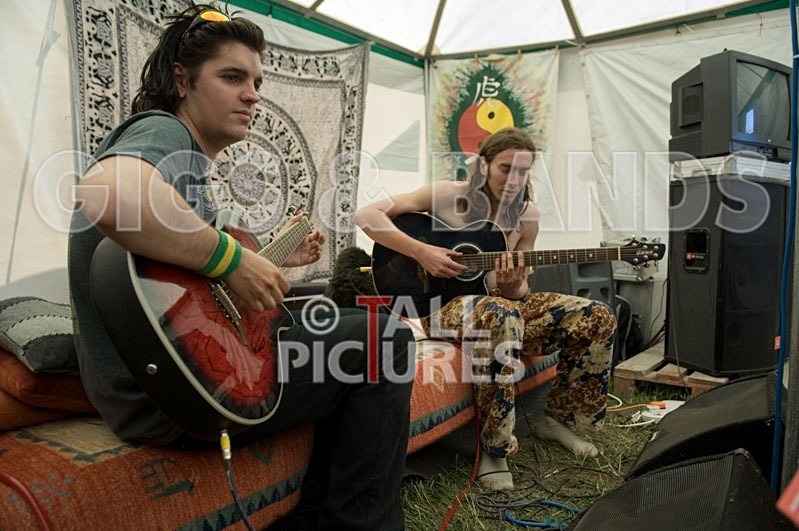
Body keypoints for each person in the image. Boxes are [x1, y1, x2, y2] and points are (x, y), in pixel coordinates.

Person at [68, 4, 415, 530]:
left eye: (256, 80)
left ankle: (316, 516)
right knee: (384, 338)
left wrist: (272, 261)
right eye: (232, 77)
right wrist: (232, 258)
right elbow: (104, 195)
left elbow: (194, 293)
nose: (252, 93)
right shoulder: (164, 133)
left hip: (170, 379)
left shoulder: (190, 175)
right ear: (182, 80)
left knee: (330, 312)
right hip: (171, 394)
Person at [355, 127, 616, 490]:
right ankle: (494, 449)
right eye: (505, 168)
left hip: (494, 306)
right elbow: (367, 216)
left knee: (595, 316)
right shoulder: (448, 195)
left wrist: (513, 285)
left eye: (523, 172)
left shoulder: (527, 216)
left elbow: (520, 290)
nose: (514, 179)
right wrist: (422, 252)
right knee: (500, 313)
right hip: (437, 306)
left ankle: (558, 418)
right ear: (483, 165)